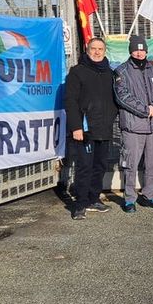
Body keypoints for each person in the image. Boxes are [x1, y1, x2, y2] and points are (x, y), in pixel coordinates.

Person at [113, 35, 153, 213]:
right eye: (136, 50)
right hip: (133, 126)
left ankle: (149, 195)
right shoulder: (121, 71)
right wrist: (145, 110)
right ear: (131, 51)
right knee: (130, 163)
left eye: (142, 50)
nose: (139, 53)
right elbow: (122, 96)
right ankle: (129, 198)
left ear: (146, 51)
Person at [63, 37, 117, 220]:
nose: (97, 52)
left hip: (104, 128)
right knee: (84, 167)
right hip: (85, 130)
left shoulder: (110, 73)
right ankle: (80, 203)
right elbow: (70, 101)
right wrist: (76, 126)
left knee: (100, 166)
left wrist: (112, 117)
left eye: (100, 49)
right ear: (87, 50)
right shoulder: (77, 72)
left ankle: (94, 199)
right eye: (93, 48)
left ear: (105, 51)